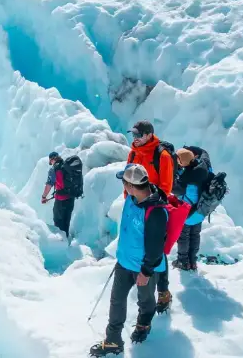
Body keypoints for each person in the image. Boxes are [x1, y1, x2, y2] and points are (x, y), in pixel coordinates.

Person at [89, 164, 168, 357]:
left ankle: (143, 324)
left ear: (132, 186)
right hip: (124, 262)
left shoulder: (155, 212)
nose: (123, 187)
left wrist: (146, 272)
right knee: (116, 300)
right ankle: (113, 340)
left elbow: (156, 248)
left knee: (146, 301)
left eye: (124, 183)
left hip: (144, 267)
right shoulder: (132, 198)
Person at [123, 120, 175, 314]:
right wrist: (129, 201)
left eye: (138, 135)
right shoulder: (134, 152)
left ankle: (163, 290)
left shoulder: (162, 155)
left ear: (148, 135)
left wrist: (150, 202)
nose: (135, 138)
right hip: (136, 206)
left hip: (154, 208)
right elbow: (128, 177)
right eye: (133, 135)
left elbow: (166, 187)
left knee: (157, 249)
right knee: (142, 246)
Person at [171, 146, 212, 272]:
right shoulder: (204, 166)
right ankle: (193, 261)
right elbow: (204, 152)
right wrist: (188, 149)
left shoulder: (184, 178)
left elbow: (172, 189)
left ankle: (183, 261)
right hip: (200, 210)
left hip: (187, 214)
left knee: (183, 237)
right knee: (195, 235)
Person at [41, 152, 75, 238]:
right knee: (66, 221)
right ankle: (66, 240)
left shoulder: (54, 169)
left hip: (61, 199)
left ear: (52, 159)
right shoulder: (68, 166)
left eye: (50, 162)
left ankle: (60, 244)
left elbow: (49, 185)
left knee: (58, 221)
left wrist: (44, 197)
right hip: (71, 198)